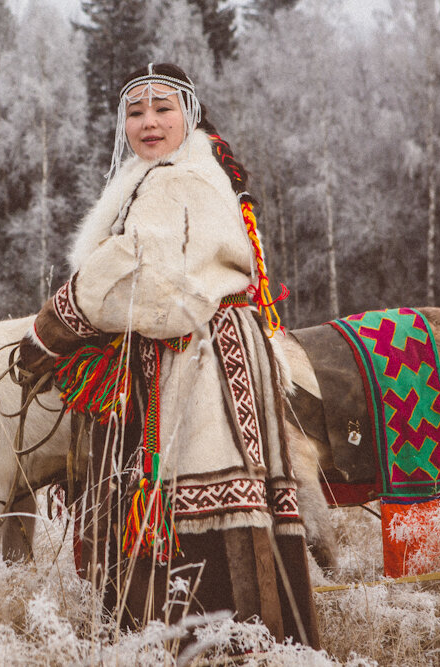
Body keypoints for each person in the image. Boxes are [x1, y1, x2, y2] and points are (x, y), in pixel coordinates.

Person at [18, 63, 319, 648]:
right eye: (135, 112)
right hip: (204, 349)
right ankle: (245, 646)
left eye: (163, 109)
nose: (149, 122)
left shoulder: (177, 181)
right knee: (210, 501)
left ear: (190, 114)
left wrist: (53, 330)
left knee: (193, 501)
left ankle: (207, 647)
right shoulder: (158, 174)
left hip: (200, 363)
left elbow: (133, 272)